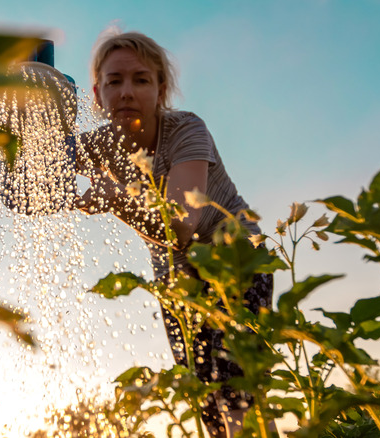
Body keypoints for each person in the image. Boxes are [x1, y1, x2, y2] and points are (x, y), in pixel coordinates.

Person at [76, 30, 274, 438]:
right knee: (207, 400)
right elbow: (29, 180)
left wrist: (117, 199)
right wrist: (24, 115)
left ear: (161, 89)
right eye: (114, 81)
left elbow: (182, 226)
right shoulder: (100, 146)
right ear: (97, 93)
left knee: (238, 390)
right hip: (177, 282)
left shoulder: (187, 131)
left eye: (141, 80)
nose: (126, 92)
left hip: (236, 259)